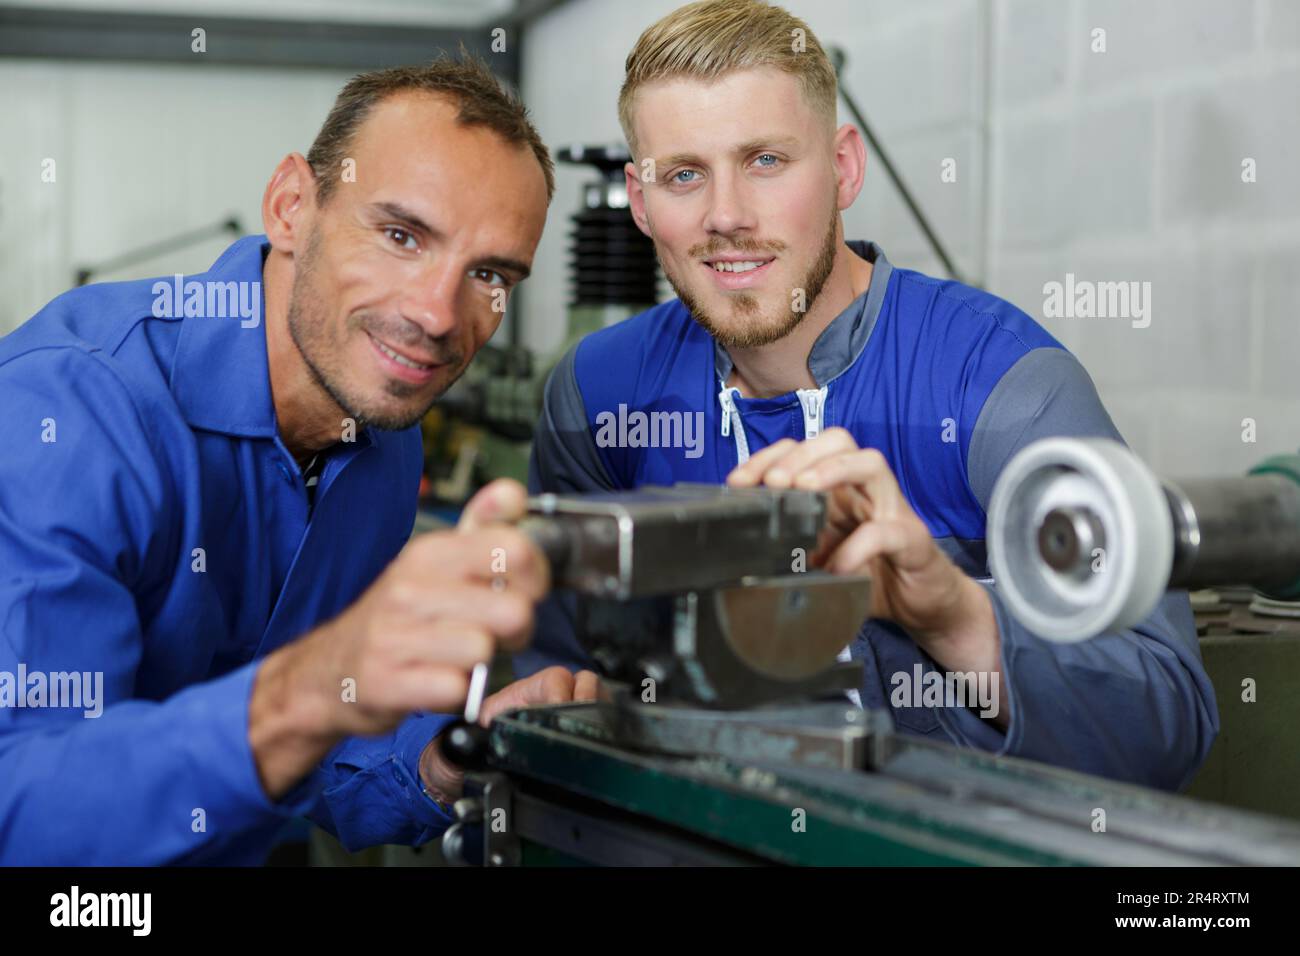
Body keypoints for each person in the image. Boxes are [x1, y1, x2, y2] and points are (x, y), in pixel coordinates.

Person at [521, 0, 1218, 791]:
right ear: (640, 202)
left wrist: (951, 613)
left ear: (845, 167)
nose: (726, 217)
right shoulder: (595, 397)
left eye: (766, 161)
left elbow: (1169, 722)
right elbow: (555, 688)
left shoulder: (998, 384)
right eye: (684, 175)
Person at [0, 55, 595, 865]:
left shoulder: (382, 439)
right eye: (399, 235)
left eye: (488, 274)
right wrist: (308, 688)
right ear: (290, 207)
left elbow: (316, 750)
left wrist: (444, 755)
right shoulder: (69, 415)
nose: (435, 314)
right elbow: (27, 811)